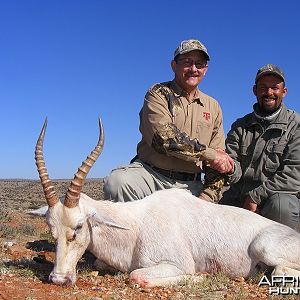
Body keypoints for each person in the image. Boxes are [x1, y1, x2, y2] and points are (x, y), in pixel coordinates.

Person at [104, 39, 233, 202]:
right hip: (152, 176)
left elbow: (218, 161)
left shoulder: (213, 106)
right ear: (174, 65)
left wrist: (205, 199)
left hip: (190, 184)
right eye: (187, 62)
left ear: (205, 69)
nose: (193, 69)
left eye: (199, 64)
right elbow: (164, 139)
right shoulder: (158, 93)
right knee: (117, 183)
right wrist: (210, 154)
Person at [220, 64, 300, 232]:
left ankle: (282, 254)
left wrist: (255, 197)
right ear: (255, 90)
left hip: (273, 199)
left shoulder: (296, 126)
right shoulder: (240, 126)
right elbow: (233, 163)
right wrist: (226, 165)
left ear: (284, 92)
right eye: (263, 87)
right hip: (240, 197)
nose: (269, 93)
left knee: (281, 206)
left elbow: (293, 174)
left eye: (274, 88)